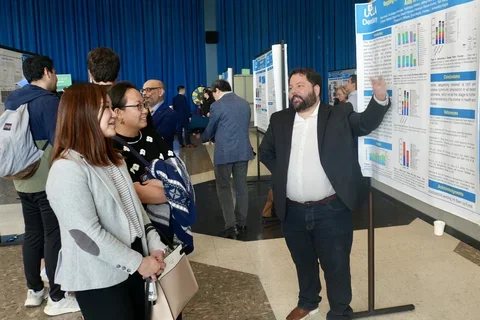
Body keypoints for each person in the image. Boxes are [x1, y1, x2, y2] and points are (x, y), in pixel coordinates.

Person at [259, 68, 390, 320]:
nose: (293, 91)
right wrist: (284, 173)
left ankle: (340, 312)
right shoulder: (280, 120)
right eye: (291, 87)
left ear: (316, 90)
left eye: (299, 86)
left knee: (336, 266)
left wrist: (380, 98)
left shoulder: (338, 114)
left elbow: (364, 124)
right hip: (292, 210)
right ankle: (308, 303)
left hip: (330, 210)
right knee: (303, 262)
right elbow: (266, 153)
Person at [46, 83, 167, 320]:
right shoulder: (67, 169)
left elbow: (138, 214)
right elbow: (86, 235)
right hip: (100, 277)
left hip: (134, 265)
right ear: (83, 115)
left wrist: (156, 246)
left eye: (111, 107)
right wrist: (138, 263)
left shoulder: (114, 160)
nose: (114, 115)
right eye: (106, 109)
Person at [4, 55, 80, 316]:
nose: (56, 77)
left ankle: (34, 291)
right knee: (53, 234)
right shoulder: (48, 102)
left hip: (21, 178)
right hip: (45, 178)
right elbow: (61, 141)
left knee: (32, 233)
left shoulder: (14, 98)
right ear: (47, 72)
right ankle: (57, 297)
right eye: (55, 72)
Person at [195, 80, 254, 238]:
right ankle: (242, 222)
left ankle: (230, 225)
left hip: (224, 153)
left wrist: (202, 137)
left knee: (224, 188)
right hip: (243, 151)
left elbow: (211, 128)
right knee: (241, 187)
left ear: (217, 90)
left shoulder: (217, 106)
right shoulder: (244, 104)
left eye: (213, 93)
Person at [142, 79, 178, 149]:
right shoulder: (142, 112)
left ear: (160, 92)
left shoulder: (169, 114)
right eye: (143, 90)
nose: (144, 93)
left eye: (148, 90)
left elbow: (158, 139)